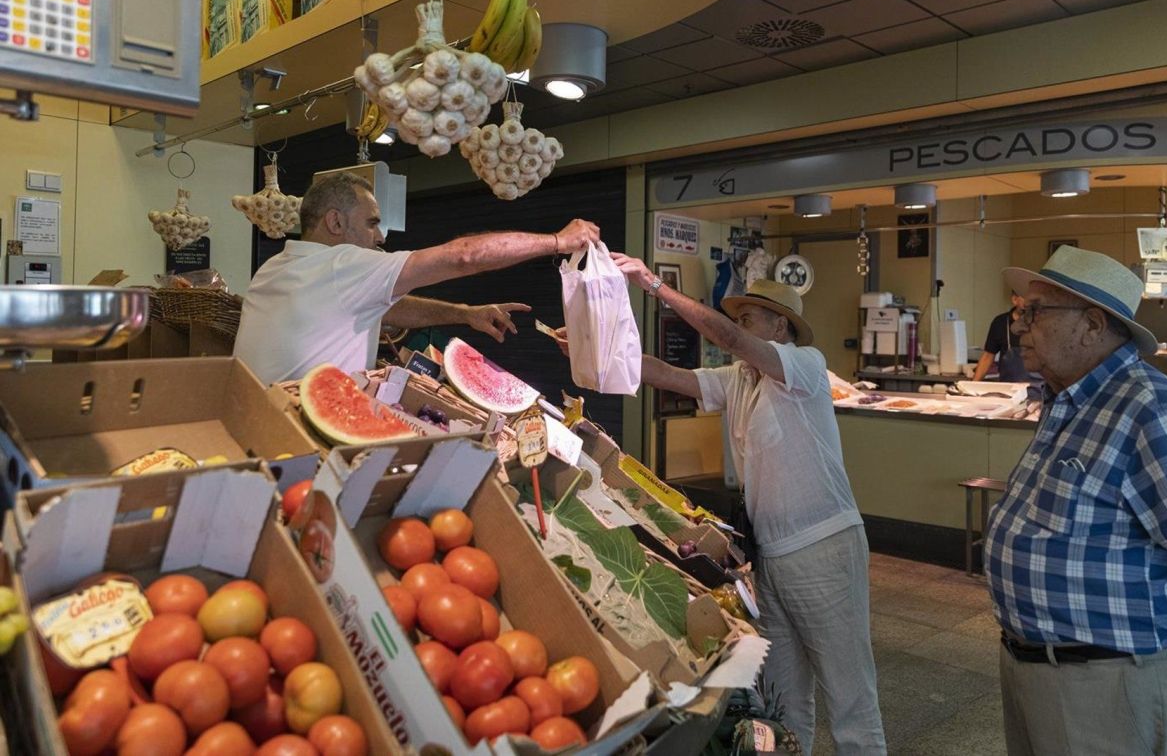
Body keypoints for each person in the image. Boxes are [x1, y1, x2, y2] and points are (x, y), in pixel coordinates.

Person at [564, 259, 885, 755]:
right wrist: (593, 349)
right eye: (739, 317)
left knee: (850, 699)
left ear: (780, 327)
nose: (738, 326)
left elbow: (729, 339)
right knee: (783, 698)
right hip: (770, 557)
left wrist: (655, 286)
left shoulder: (805, 365)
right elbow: (668, 374)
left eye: (749, 317)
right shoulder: (739, 378)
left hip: (824, 549)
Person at [983, 245, 1167, 756]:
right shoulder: (1067, 402)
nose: (1019, 327)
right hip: (1040, 671)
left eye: (1035, 313)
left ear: (1093, 325)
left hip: (1112, 686)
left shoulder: (1152, 409)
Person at [234, 171, 598, 385]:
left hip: (255, 422)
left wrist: (465, 313)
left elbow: (388, 308)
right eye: (372, 223)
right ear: (335, 222)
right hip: (306, 441)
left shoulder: (277, 267)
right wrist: (558, 241)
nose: (380, 237)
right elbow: (465, 255)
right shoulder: (343, 264)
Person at [972, 290, 1029, 382]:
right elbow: (988, 356)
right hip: (1007, 387)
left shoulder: (1042, 323)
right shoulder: (1000, 322)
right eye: (1026, 297)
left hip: (1037, 388)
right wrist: (973, 385)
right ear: (1014, 299)